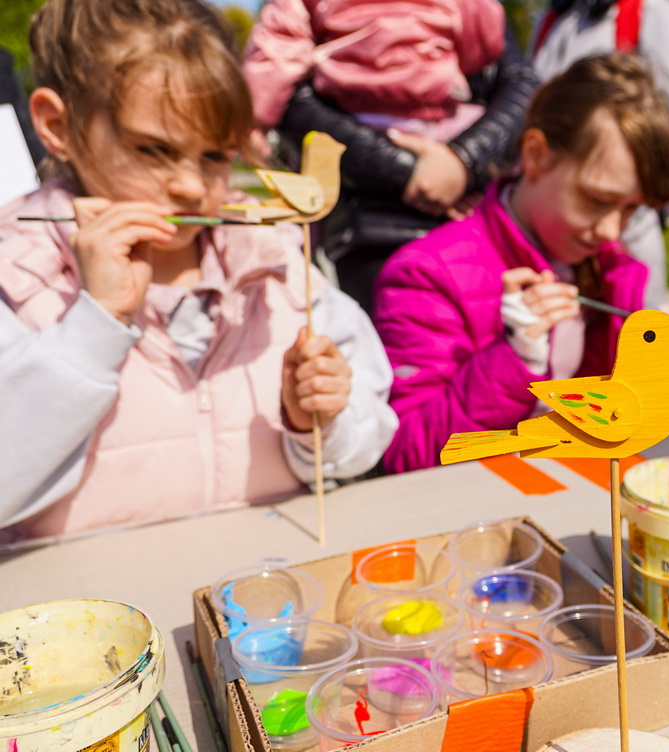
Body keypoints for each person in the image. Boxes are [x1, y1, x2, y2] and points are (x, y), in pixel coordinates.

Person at [0, 0, 398, 544]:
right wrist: (92, 327)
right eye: (155, 149)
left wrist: (319, 426)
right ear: (58, 125)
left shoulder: (275, 263)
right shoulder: (16, 275)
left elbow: (368, 435)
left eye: (214, 156)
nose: (191, 186)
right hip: (85, 618)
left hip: (266, 598)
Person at [373, 53, 669, 473]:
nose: (614, 231)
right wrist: (515, 359)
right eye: (598, 201)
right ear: (537, 155)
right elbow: (406, 453)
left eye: (632, 210)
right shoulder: (428, 275)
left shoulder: (608, 267)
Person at [243, 0, 538, 313]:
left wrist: (255, 117)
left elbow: (274, 61)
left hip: (375, 171)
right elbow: (484, 34)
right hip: (397, 181)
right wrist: (435, 169)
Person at [532, 0, 669, 313]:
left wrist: (644, 205)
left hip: (627, 231)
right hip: (550, 216)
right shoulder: (550, 19)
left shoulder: (655, 14)